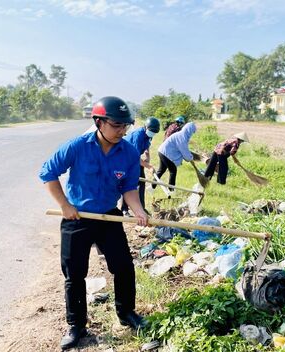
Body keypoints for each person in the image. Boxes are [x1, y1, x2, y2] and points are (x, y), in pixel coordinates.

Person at [39, 96, 148, 350]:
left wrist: (139, 211)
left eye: (125, 126)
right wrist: (65, 205)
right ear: (99, 122)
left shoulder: (129, 152)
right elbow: (48, 172)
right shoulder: (77, 146)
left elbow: (129, 188)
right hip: (77, 218)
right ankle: (76, 325)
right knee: (75, 274)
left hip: (109, 216)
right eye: (116, 125)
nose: (122, 131)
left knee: (123, 266)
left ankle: (127, 313)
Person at [122, 116, 160, 214]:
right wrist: (149, 167)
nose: (153, 133)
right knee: (128, 183)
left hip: (134, 158)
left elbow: (147, 149)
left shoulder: (149, 135)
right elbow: (134, 158)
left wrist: (148, 160)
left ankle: (141, 208)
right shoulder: (138, 135)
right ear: (145, 127)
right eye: (151, 131)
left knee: (142, 182)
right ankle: (124, 209)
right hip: (125, 158)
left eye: (154, 132)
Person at [154, 122, 197, 188]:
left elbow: (184, 149)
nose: (192, 134)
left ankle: (152, 186)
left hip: (162, 151)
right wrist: (191, 158)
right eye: (192, 132)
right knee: (173, 171)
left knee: (161, 170)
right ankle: (171, 189)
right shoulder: (182, 137)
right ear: (189, 130)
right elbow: (185, 153)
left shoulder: (182, 135)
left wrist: (189, 156)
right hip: (165, 153)